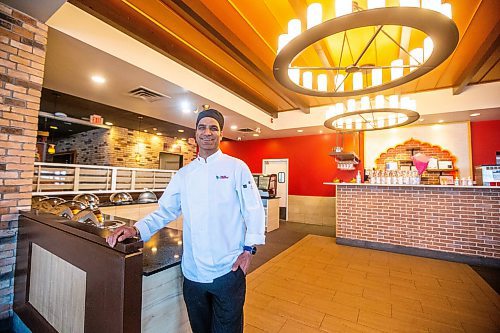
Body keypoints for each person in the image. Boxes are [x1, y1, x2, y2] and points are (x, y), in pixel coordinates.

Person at [106, 109, 265, 333]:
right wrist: (136, 229)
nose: (207, 132)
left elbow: (253, 209)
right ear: (195, 133)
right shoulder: (184, 174)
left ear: (221, 134)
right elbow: (165, 211)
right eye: (202, 127)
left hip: (228, 269)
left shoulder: (236, 168)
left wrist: (249, 249)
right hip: (193, 273)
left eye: (213, 128)